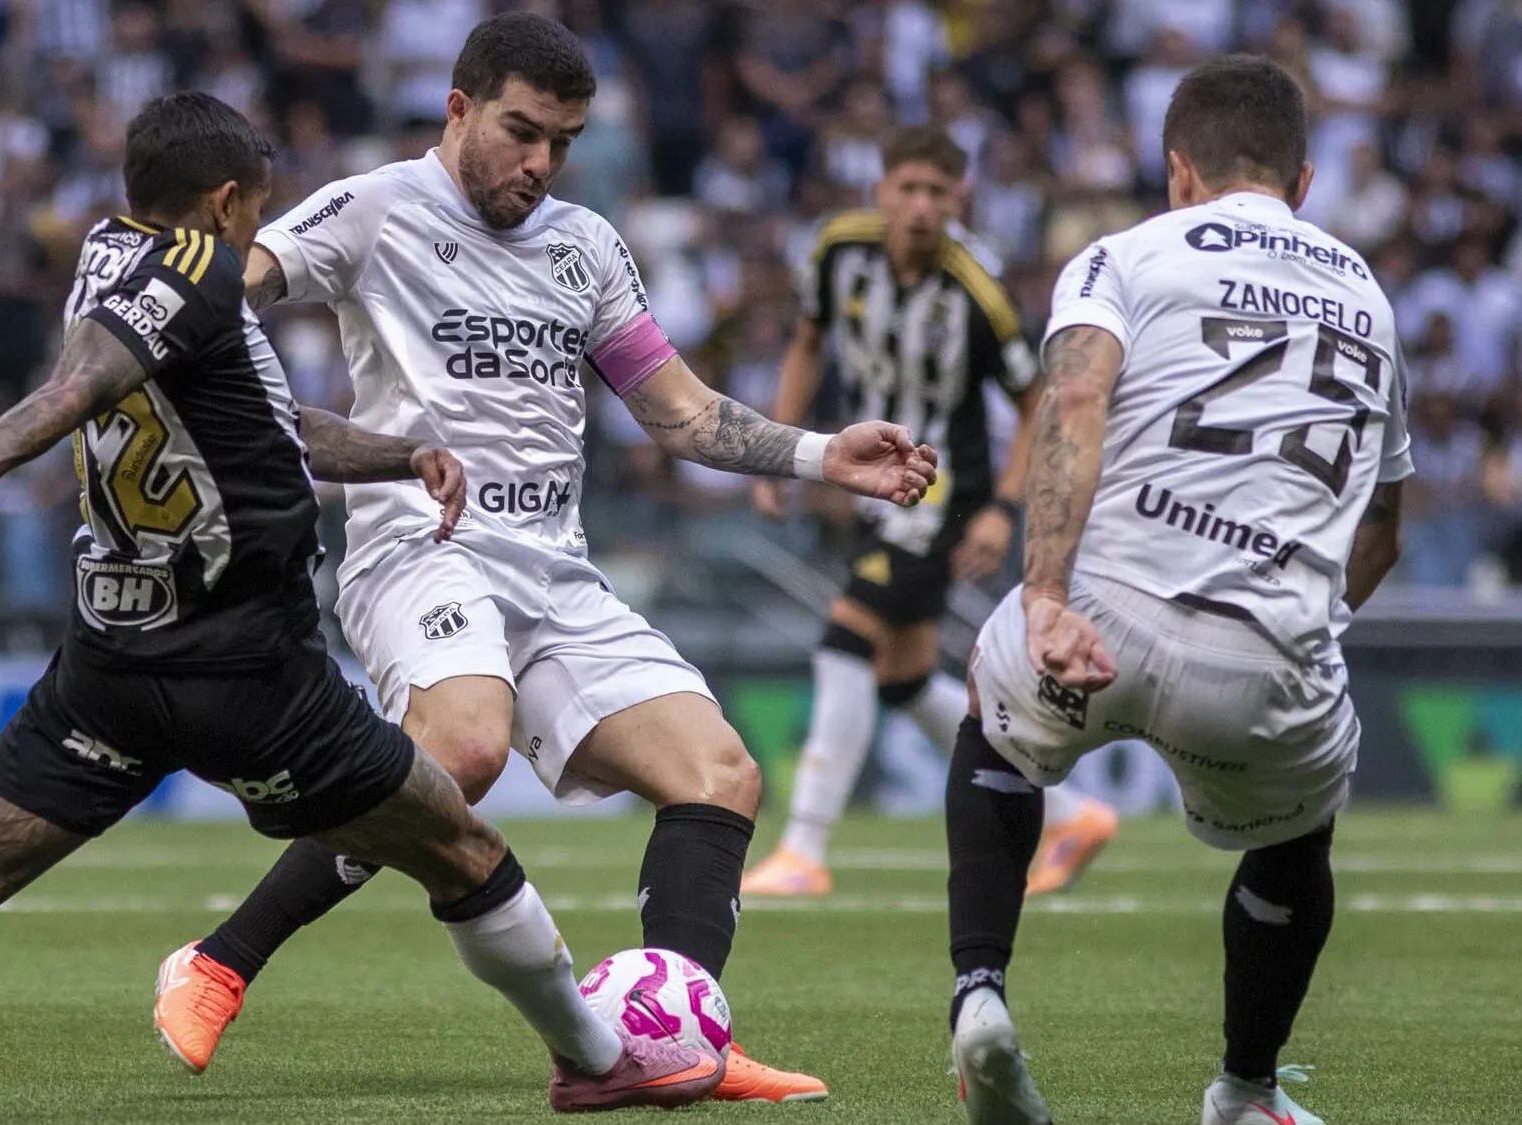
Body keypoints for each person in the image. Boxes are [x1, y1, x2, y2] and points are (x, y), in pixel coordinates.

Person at [0, 93, 729, 1125]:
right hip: (250, 674)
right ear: (228, 202)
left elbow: (255, 419)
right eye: (254, 214)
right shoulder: (196, 276)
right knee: (465, 851)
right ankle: (595, 1058)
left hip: (111, 661)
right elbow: (73, 391)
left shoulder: (109, 258)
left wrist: (398, 452)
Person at [152, 13, 938, 1104]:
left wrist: (819, 455)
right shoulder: (375, 208)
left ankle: (672, 1046)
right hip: (418, 552)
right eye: (521, 132)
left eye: (562, 141)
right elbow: (219, 291)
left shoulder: (584, 244)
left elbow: (675, 412)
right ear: (459, 108)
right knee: (461, 752)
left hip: (552, 574)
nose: (540, 163)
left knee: (720, 775)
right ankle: (218, 960)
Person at [938, 58, 1408, 1125]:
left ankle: (978, 998)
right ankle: (1243, 1091)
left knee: (992, 720)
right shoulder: (1365, 295)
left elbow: (1072, 401)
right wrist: (1304, 624)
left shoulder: (1121, 256)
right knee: (1298, 836)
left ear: (1176, 170)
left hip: (1097, 624)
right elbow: (1381, 528)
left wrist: (1045, 594)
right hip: (1266, 657)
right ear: (1300, 178)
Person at [741, 126, 1120, 902]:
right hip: (878, 487)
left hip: (946, 492)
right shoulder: (837, 251)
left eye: (937, 194)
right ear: (880, 190)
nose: (920, 207)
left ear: (961, 200)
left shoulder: (977, 291)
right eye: (906, 189)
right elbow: (807, 341)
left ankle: (804, 847)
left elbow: (1037, 402)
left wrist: (1002, 510)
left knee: (848, 634)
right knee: (905, 677)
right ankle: (1072, 813)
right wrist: (781, 449)